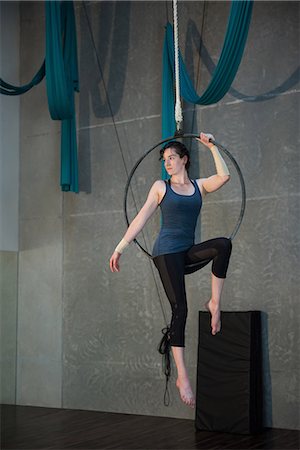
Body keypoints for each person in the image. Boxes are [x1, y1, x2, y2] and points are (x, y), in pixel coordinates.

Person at [109, 132, 232, 408]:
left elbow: (224, 177)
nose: (168, 163)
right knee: (181, 309)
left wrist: (212, 147)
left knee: (223, 245)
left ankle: (215, 302)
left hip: (185, 253)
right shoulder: (160, 187)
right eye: (165, 159)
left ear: (184, 160)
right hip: (166, 253)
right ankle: (183, 377)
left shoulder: (199, 187)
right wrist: (120, 248)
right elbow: (140, 218)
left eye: (172, 158)